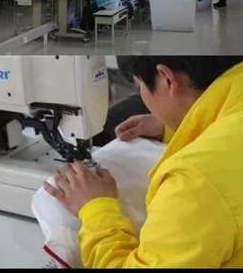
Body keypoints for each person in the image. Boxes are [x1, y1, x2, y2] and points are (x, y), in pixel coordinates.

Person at [43, 57, 243, 268]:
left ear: (167, 79)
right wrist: (181, 125)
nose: (142, 96)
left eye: (140, 87)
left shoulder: (193, 183)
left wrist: (95, 209)